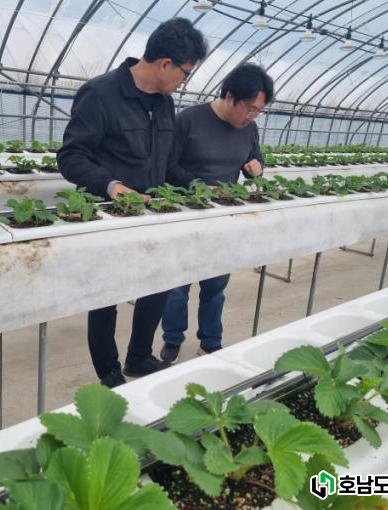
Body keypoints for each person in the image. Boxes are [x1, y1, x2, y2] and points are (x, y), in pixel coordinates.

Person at [58, 18, 207, 388]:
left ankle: (139, 357)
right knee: (105, 295)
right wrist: (113, 187)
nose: (184, 82)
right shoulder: (100, 94)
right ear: (165, 64)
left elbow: (167, 164)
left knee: (158, 282)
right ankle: (109, 372)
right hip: (110, 215)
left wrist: (199, 186)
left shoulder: (165, 104)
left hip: (152, 214)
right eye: (185, 73)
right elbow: (72, 157)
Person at [160, 63, 275, 364]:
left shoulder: (249, 129)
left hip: (223, 217)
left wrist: (256, 167)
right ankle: (172, 338)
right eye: (249, 108)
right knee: (177, 285)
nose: (252, 116)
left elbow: (255, 159)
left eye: (258, 111)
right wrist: (198, 186)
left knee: (216, 284)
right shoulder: (189, 120)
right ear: (230, 96)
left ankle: (210, 341)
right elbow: (168, 166)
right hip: (185, 214)